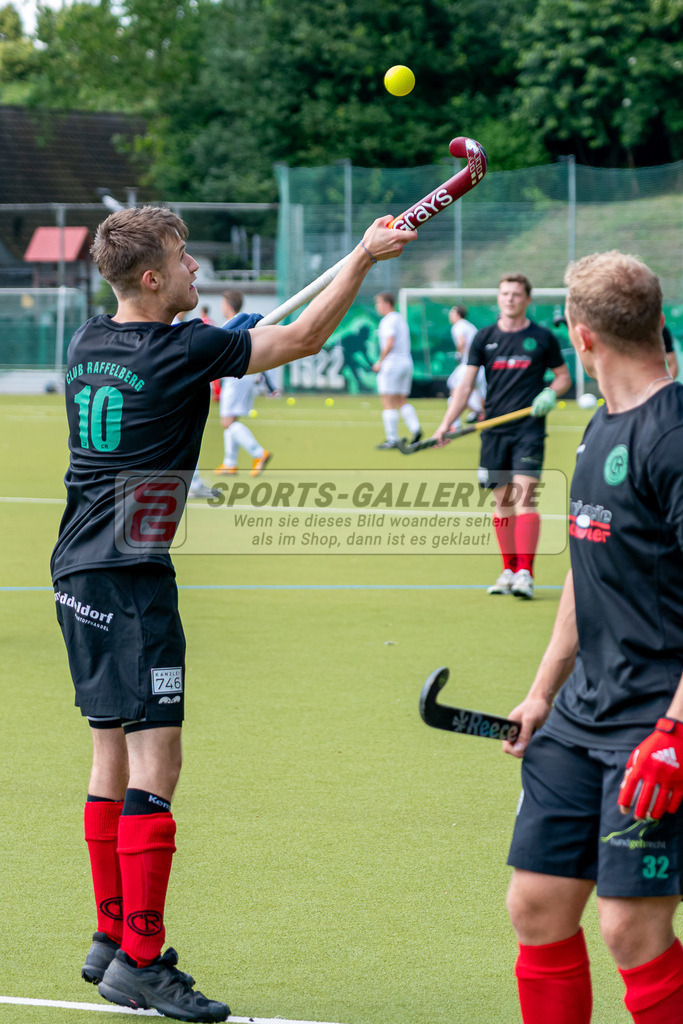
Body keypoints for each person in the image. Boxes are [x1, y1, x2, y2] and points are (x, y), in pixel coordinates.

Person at [50, 205, 415, 1022]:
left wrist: (221, 336)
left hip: (76, 567)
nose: (194, 275)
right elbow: (306, 340)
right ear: (152, 278)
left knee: (110, 755)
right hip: (132, 579)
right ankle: (141, 959)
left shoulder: (88, 343)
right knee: (158, 764)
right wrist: (362, 255)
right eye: (184, 263)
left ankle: (110, 940)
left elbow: (186, 347)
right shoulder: (188, 350)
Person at [502, 250, 683, 1024]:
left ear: (579, 338)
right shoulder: (598, 425)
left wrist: (675, 731)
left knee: (630, 929)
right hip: (579, 720)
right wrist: (543, 691)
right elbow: (586, 565)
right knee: (536, 909)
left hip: (656, 725)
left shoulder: (672, 438)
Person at [434, 273, 571, 599]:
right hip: (493, 429)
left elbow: (563, 377)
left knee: (525, 500)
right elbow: (464, 386)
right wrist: (445, 424)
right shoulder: (484, 338)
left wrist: (550, 393)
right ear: (498, 298)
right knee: (502, 505)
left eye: (516, 294)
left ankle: (526, 573)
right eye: (505, 293)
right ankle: (508, 571)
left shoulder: (541, 337)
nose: (510, 298)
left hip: (528, 429)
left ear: (527, 299)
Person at [214, 290, 274, 477]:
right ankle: (229, 462)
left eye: (223, 303)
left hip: (235, 378)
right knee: (231, 421)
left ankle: (258, 453)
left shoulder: (233, 324)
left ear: (228, 305)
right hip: (242, 377)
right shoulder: (243, 322)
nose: (221, 307)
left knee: (227, 422)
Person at [372, 292, 422, 449]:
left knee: (387, 401)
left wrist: (380, 361)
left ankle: (392, 439)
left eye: (379, 303)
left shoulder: (388, 320)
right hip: (406, 363)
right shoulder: (400, 318)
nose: (377, 307)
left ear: (387, 303)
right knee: (401, 400)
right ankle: (416, 429)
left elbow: (389, 342)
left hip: (392, 364)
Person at [445, 304, 485, 426]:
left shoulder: (459, 325)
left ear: (457, 314)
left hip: (469, 365)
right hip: (480, 365)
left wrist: (459, 355)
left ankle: (455, 424)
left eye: (452, 312)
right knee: (479, 394)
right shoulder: (469, 325)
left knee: (454, 391)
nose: (450, 315)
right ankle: (479, 413)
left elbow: (461, 341)